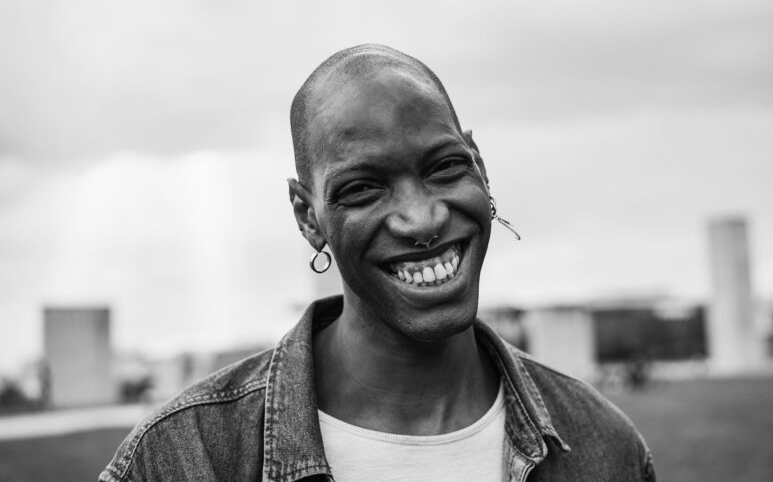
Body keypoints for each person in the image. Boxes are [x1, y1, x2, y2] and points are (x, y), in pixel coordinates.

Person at [100, 44, 656, 482]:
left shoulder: (604, 446)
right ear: (308, 216)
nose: (422, 220)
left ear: (480, 167)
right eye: (363, 189)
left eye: (444, 167)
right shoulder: (183, 458)